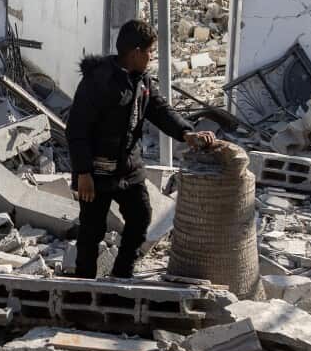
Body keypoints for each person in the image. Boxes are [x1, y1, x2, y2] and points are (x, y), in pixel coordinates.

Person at [65, 19, 216, 279]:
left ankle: (122, 274)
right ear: (135, 53)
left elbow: (158, 109)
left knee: (141, 218)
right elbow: (76, 130)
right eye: (150, 52)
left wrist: (185, 132)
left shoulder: (142, 80)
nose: (152, 57)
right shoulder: (98, 82)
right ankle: (83, 287)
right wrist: (83, 173)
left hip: (128, 169)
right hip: (97, 172)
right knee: (92, 231)